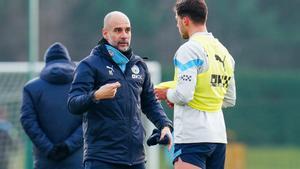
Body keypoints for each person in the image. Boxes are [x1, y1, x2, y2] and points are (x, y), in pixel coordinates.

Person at [67, 11, 173, 169]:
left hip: (136, 159)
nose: (124, 35)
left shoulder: (139, 65)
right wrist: (96, 95)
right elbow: (73, 104)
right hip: (102, 159)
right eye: (118, 30)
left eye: (127, 30)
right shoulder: (89, 65)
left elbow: (150, 102)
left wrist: (164, 125)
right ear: (105, 33)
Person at [154, 0, 236, 169]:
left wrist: (166, 93)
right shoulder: (224, 52)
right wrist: (186, 96)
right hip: (218, 138)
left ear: (185, 20)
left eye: (177, 20)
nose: (177, 25)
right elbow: (229, 99)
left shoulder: (189, 50)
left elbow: (184, 95)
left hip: (193, 137)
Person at [20, 42, 83, 169]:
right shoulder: (82, 87)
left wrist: (48, 148)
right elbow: (89, 120)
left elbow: (28, 121)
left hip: (45, 161)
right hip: (77, 161)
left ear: (47, 63)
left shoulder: (31, 88)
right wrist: (68, 146)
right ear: (68, 61)